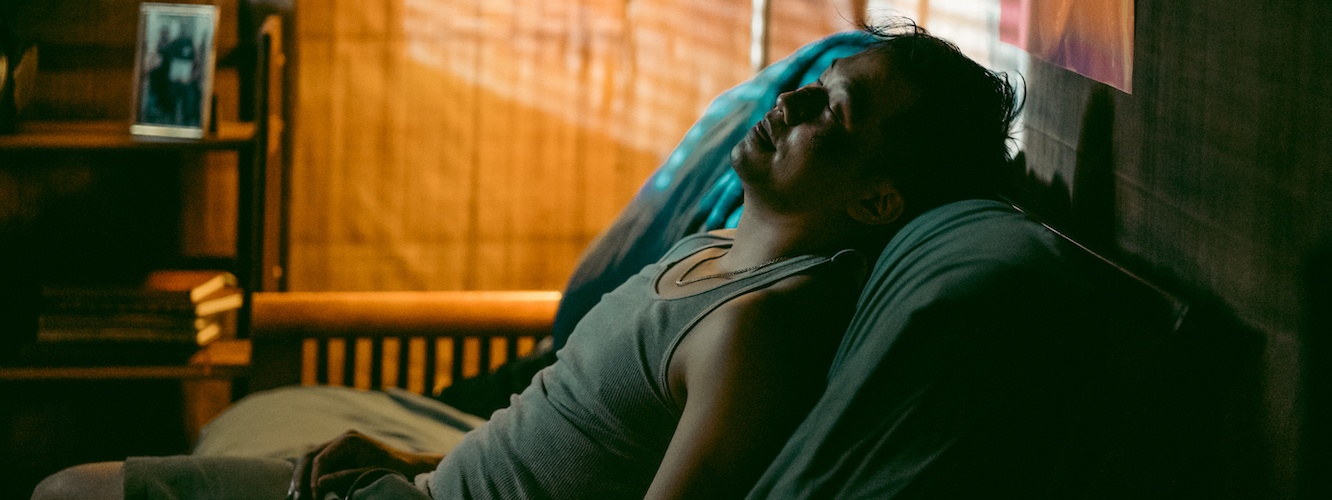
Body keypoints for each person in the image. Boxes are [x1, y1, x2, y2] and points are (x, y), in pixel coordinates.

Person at [33, 20, 1020, 500]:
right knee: (71, 489)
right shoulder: (716, 248)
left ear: (878, 199)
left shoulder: (758, 326)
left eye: (831, 114)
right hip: (410, 484)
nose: (791, 102)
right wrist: (414, 457)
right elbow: (566, 440)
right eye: (813, 85)